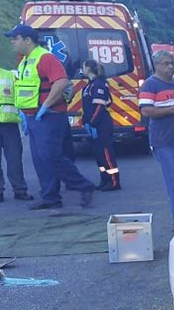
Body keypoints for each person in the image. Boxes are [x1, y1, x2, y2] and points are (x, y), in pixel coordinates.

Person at [5, 24, 95, 210]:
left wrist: (44, 107)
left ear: (27, 40)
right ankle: (50, 197)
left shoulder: (45, 58)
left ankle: (83, 185)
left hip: (49, 116)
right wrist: (26, 114)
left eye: (15, 38)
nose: (12, 42)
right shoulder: (25, 60)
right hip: (33, 117)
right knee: (40, 159)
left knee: (50, 157)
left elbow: (61, 81)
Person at [139, 50, 174, 226]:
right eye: (166, 63)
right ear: (156, 65)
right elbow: (147, 111)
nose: (171, 67)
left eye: (172, 63)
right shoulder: (150, 85)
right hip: (164, 142)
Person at [81, 59, 120, 191]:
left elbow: (100, 105)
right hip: (93, 124)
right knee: (99, 155)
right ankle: (104, 179)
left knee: (106, 154)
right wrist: (85, 121)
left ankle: (114, 181)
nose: (82, 70)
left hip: (101, 124)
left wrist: (92, 121)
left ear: (88, 68)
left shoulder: (99, 84)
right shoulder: (89, 86)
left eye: (83, 67)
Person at [0, 65, 33, 203]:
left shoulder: (9, 75)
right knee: (14, 158)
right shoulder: (9, 75)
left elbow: (22, 94)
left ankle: (20, 190)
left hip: (9, 122)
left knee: (14, 159)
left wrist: (27, 114)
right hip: (10, 124)